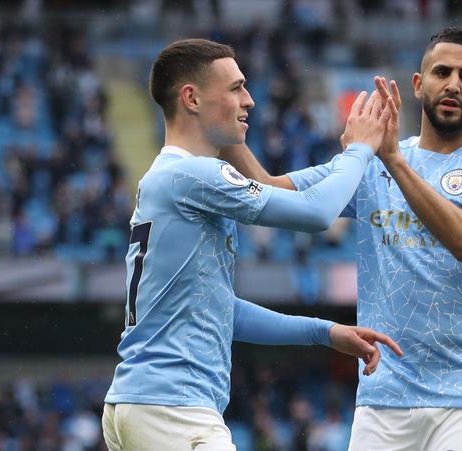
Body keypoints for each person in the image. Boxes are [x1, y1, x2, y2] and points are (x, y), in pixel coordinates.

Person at [222, 26, 462, 450]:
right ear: (419, 84)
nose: (454, 85)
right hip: (385, 389)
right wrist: (226, 131)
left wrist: (394, 161)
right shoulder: (371, 164)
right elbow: (268, 188)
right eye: (443, 72)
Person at [101, 38, 402, 451]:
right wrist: (361, 149)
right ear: (191, 98)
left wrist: (326, 332)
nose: (250, 100)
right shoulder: (194, 176)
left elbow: (221, 310)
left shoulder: (170, 179)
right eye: (236, 88)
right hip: (173, 409)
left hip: (142, 404)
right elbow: (316, 214)